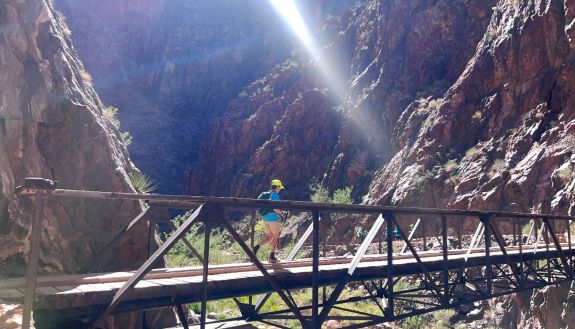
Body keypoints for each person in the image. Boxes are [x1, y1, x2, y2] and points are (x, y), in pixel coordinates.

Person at [254, 179, 288, 262]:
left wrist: (281, 212)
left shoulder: (268, 194)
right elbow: (275, 208)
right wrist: (282, 213)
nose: (280, 189)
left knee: (270, 237)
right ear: (277, 187)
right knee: (275, 236)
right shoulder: (275, 195)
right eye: (280, 187)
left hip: (265, 218)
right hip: (273, 218)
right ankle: (272, 257)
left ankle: (256, 248)